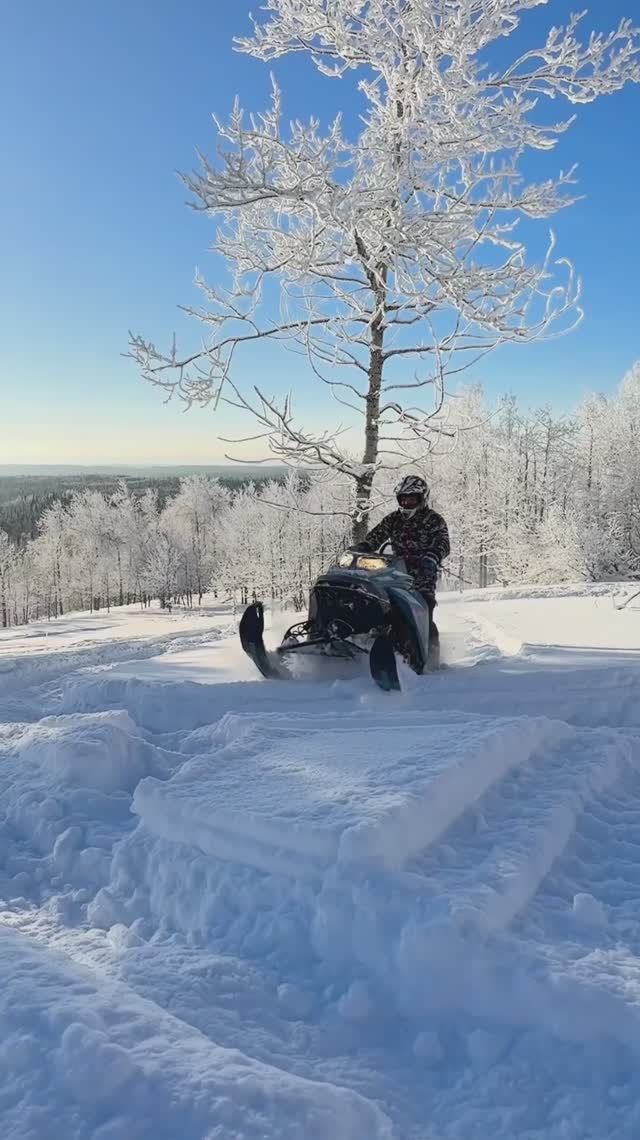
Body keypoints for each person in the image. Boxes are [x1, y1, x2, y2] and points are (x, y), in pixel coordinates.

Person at [358, 475, 450, 666]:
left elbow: (443, 544)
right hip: (396, 573)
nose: (407, 501)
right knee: (378, 604)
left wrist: (432, 557)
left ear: (421, 498)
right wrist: (364, 547)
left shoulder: (434, 520)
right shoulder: (393, 519)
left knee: (422, 609)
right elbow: (376, 535)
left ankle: (426, 656)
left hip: (423, 575)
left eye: (412, 498)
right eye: (404, 498)